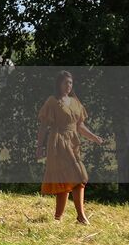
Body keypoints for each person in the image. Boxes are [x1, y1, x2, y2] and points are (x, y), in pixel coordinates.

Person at [37, 70, 104, 224]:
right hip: (58, 142)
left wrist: (94, 138)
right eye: (65, 82)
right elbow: (43, 126)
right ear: (59, 84)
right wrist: (39, 146)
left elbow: (80, 126)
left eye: (70, 83)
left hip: (73, 142)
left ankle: (57, 218)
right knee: (78, 176)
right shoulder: (52, 101)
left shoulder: (75, 102)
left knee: (66, 180)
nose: (68, 85)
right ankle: (81, 216)